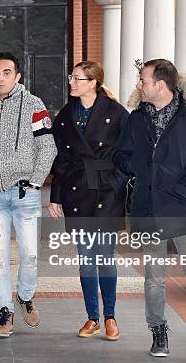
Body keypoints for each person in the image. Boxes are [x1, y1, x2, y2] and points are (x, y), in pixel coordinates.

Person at [113, 59, 186, 359]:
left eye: (143, 80)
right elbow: (120, 155)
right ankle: (158, 331)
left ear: (161, 85)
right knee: (154, 278)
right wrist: (139, 168)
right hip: (148, 207)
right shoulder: (136, 119)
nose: (139, 85)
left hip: (184, 208)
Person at [0, 52, 57, 338]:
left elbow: (47, 147)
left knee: (29, 255)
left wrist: (37, 181)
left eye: (6, 72)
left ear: (17, 76)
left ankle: (25, 296)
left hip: (25, 195)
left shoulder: (33, 105)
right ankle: (4, 311)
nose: (0, 78)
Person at [49, 61, 129, 341]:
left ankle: (110, 316)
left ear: (93, 82)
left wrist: (118, 181)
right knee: (86, 259)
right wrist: (55, 197)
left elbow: (129, 152)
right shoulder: (65, 115)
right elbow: (60, 159)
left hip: (106, 193)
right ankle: (92, 317)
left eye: (77, 78)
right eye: (71, 77)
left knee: (105, 257)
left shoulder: (116, 112)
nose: (71, 82)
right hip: (77, 192)